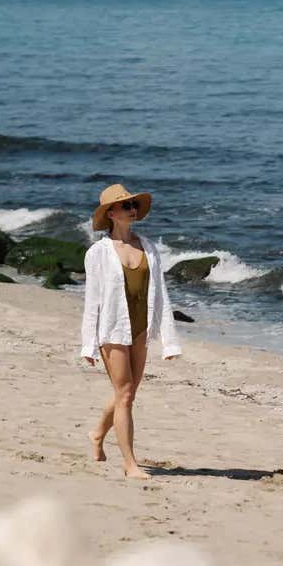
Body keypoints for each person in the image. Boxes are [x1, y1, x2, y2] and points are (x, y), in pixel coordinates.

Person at [80, 183, 181, 478]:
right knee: (124, 395)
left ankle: (97, 433)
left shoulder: (148, 247)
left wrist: (168, 340)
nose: (132, 210)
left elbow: (160, 292)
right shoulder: (97, 253)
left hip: (140, 328)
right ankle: (129, 464)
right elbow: (92, 300)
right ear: (110, 213)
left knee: (128, 393)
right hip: (111, 330)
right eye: (125, 206)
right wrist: (88, 345)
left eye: (133, 205)